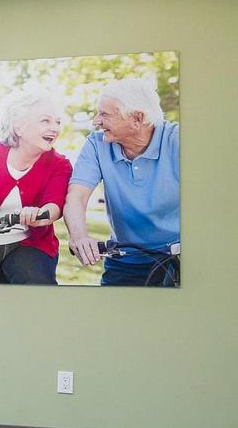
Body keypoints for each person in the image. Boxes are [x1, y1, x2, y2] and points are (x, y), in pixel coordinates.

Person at [64, 77, 180, 287]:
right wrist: (79, 236)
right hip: (125, 257)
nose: (96, 121)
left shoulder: (178, 140)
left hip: (181, 257)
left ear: (137, 118)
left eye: (104, 114)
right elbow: (77, 196)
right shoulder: (97, 143)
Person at [0, 90, 71, 284]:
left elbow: (54, 206)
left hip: (28, 245)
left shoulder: (59, 164)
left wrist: (38, 214)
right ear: (19, 127)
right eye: (45, 121)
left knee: (33, 279)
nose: (55, 128)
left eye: (57, 122)